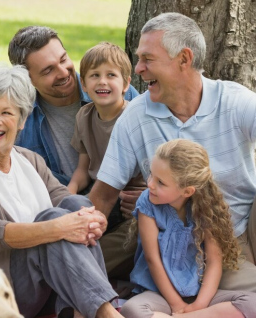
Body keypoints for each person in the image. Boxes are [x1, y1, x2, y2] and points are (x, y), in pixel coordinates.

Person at [89, 12, 256, 292]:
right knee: (74, 260)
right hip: (166, 239)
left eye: (147, 59)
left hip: (234, 234)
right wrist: (70, 233)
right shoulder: (135, 117)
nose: (138, 68)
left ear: (184, 59)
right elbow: (103, 196)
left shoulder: (236, 102)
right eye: (139, 58)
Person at [0, 64, 123, 318]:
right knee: (54, 221)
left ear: (22, 120)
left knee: (75, 207)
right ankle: (107, 314)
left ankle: (82, 312)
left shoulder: (29, 159)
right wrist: (61, 227)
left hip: (42, 285)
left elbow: (66, 200)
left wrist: (92, 218)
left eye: (7, 112)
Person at [120, 139, 256, 317]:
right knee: (132, 310)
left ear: (187, 191)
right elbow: (152, 258)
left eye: (161, 182)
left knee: (252, 304)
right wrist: (176, 304)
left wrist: (200, 305)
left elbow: (214, 261)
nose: (150, 184)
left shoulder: (206, 206)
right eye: (151, 174)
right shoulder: (148, 202)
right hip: (161, 294)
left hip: (200, 292)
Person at [8, 26, 139, 186]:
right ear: (28, 79)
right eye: (48, 70)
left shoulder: (116, 91)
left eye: (63, 59)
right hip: (63, 200)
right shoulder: (21, 118)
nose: (63, 72)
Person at [68, 42, 146, 281]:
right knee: (70, 235)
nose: (102, 81)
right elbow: (83, 170)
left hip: (130, 206)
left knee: (96, 257)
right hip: (97, 199)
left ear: (126, 84)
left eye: (111, 75)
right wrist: (65, 197)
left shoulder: (136, 117)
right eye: (94, 75)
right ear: (84, 84)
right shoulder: (84, 116)